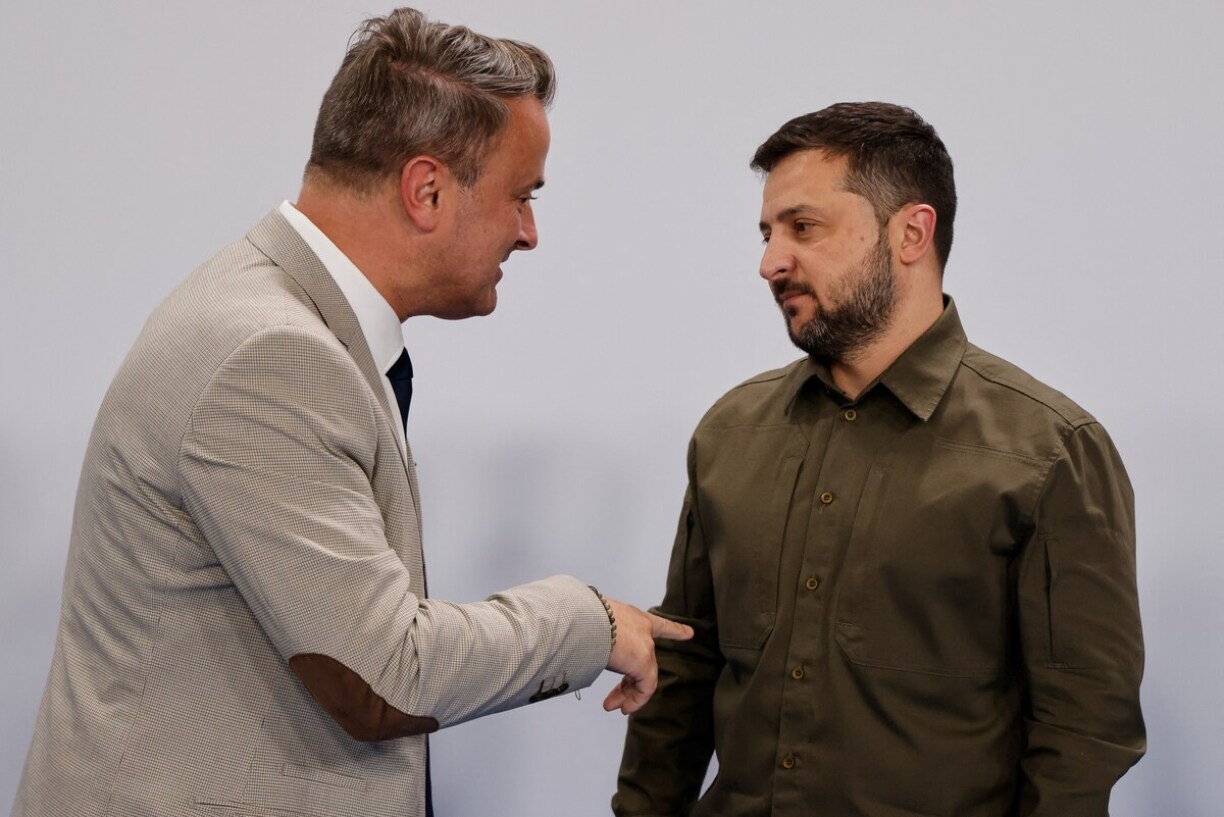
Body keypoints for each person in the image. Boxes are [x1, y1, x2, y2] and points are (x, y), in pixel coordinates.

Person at [13, 9, 690, 817]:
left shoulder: (272, 316)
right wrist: (588, 622)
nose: (529, 232)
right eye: (521, 196)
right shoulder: (269, 356)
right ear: (428, 189)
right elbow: (384, 673)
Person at [613, 102, 1144, 816]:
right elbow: (683, 668)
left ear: (911, 233)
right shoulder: (730, 432)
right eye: (768, 232)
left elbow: (1083, 732)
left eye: (803, 227)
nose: (770, 260)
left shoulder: (1050, 452)